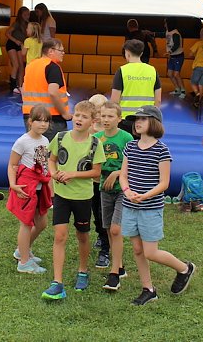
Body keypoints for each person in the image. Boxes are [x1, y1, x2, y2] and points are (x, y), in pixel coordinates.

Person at [119, 105, 195, 305]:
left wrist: (144, 196)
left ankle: (184, 269)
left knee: (151, 252)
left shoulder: (161, 150)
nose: (138, 122)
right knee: (137, 249)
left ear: (154, 123)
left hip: (150, 208)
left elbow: (164, 183)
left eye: (143, 119)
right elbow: (123, 175)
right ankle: (149, 289)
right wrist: (127, 191)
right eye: (136, 119)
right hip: (130, 205)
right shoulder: (130, 146)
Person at [41, 101, 106, 300]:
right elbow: (51, 160)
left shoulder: (95, 144)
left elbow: (96, 173)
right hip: (62, 196)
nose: (79, 119)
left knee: (82, 235)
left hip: (83, 197)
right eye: (77, 115)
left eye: (84, 117)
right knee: (60, 236)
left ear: (92, 122)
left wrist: (73, 174)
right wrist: (54, 174)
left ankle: (83, 271)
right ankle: (57, 282)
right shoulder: (60, 137)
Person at [7, 104, 53, 274]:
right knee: (26, 223)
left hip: (40, 188)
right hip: (26, 187)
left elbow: (44, 165)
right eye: (39, 120)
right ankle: (24, 263)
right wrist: (13, 185)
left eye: (46, 121)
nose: (43, 124)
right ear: (30, 122)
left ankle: (22, 250)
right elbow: (12, 165)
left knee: (41, 223)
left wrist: (50, 186)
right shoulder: (22, 141)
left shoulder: (45, 141)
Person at [95, 101, 133, 291]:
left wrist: (116, 173)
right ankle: (120, 265)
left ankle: (114, 274)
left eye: (110, 116)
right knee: (109, 228)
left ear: (119, 119)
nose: (106, 119)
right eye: (103, 116)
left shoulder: (126, 137)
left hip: (122, 189)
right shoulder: (96, 138)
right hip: (104, 189)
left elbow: (133, 163)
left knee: (116, 229)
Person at [22, 38, 71, 144]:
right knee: (55, 150)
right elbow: (53, 92)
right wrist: (64, 113)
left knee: (35, 149)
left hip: (30, 116)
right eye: (60, 50)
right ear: (51, 51)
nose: (63, 53)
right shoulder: (52, 67)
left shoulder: (31, 66)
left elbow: (23, 88)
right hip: (51, 118)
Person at [110, 39, 161, 135]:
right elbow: (158, 100)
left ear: (127, 53)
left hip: (125, 120)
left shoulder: (122, 71)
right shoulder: (152, 70)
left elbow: (114, 101)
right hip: (147, 119)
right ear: (141, 53)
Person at [88, 93, 110, 269]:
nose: (97, 114)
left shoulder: (110, 131)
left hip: (106, 181)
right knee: (95, 212)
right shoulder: (87, 129)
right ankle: (100, 236)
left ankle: (106, 249)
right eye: (94, 109)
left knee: (104, 214)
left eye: (99, 110)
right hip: (91, 181)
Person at [5, 6, 30, 94]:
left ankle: (20, 85)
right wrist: (15, 40)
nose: (27, 16)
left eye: (28, 14)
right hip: (12, 44)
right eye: (25, 15)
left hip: (19, 45)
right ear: (21, 15)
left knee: (21, 65)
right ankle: (13, 86)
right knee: (16, 65)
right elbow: (7, 33)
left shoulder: (27, 25)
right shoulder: (17, 24)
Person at [188, 28, 203, 108]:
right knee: (201, 83)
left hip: (199, 66)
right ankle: (199, 100)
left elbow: (190, 54)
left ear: (201, 35)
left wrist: (195, 55)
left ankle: (197, 94)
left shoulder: (199, 43)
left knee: (193, 82)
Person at [164, 17, 186, 99]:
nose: (164, 25)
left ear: (169, 23)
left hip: (178, 56)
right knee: (170, 74)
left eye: (165, 23)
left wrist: (169, 52)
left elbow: (176, 45)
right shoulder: (168, 31)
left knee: (176, 74)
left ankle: (183, 91)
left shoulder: (175, 34)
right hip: (172, 57)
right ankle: (177, 89)